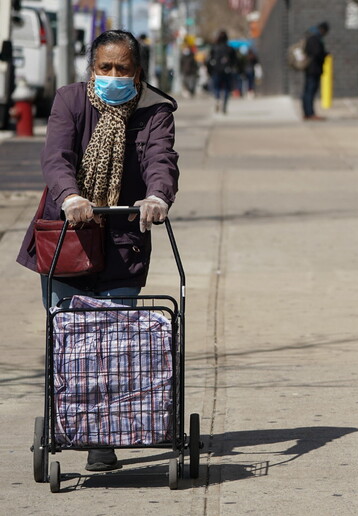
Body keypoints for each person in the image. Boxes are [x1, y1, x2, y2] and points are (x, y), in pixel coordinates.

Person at [16, 29, 180, 472]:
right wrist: (70, 196)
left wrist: (158, 197)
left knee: (114, 345)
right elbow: (56, 156)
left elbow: (160, 159)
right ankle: (70, 421)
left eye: (121, 69)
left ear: (137, 72)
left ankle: (101, 439)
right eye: (104, 68)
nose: (112, 75)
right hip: (65, 237)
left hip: (123, 240)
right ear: (92, 68)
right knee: (68, 342)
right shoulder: (70, 100)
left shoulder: (154, 110)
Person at [301, 21, 329, 121]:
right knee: (310, 91)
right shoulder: (315, 38)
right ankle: (310, 113)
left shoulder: (310, 37)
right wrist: (324, 54)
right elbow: (317, 53)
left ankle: (307, 113)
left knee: (307, 91)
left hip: (309, 69)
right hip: (314, 69)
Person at [207, 30, 238, 113]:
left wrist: (209, 71)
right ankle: (224, 103)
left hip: (216, 71)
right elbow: (235, 60)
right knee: (227, 88)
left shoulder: (214, 48)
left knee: (217, 87)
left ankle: (217, 99)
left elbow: (209, 60)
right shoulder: (230, 48)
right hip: (227, 71)